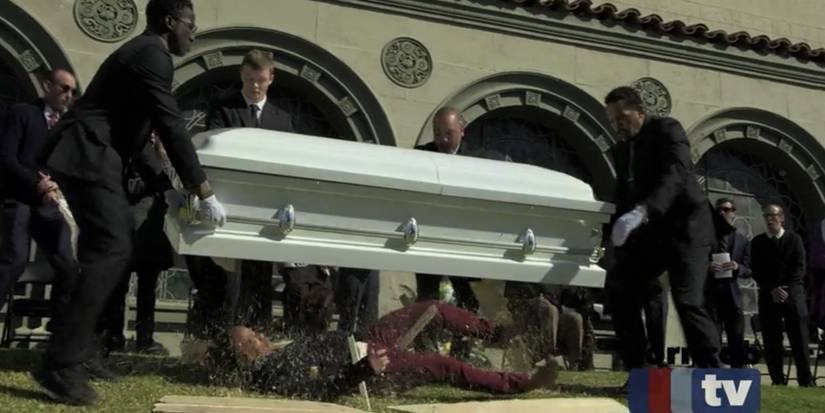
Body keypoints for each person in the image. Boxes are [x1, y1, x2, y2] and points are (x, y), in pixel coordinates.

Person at [33, 0, 227, 405]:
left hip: (95, 153)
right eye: (190, 25)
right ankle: (60, 362)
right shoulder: (153, 54)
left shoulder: (146, 53)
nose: (193, 33)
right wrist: (202, 189)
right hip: (88, 152)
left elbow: (137, 136)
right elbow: (169, 122)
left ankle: (81, 349)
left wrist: (167, 189)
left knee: (106, 251)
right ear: (170, 22)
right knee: (113, 248)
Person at [191, 301, 557, 399]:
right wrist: (365, 370)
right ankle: (519, 383)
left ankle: (499, 335)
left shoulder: (274, 354)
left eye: (255, 332)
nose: (261, 336)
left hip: (365, 339)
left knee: (432, 308)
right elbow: (318, 391)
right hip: (368, 365)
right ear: (244, 356)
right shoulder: (272, 374)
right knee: (442, 365)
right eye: (252, 340)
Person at [603, 86, 720, 372]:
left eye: (622, 117)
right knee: (620, 287)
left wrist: (644, 210)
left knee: (687, 300)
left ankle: (711, 371)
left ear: (640, 112)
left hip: (686, 227)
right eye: (613, 120)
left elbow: (675, 175)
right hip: (651, 235)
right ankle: (637, 370)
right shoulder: (623, 150)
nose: (618, 125)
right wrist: (609, 234)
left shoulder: (667, 130)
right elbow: (623, 194)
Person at [186, 49, 295, 334]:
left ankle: (258, 335)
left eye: (260, 80)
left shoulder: (282, 119)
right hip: (229, 203)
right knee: (227, 278)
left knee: (260, 274)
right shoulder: (223, 108)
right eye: (249, 79)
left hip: (265, 208)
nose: (255, 86)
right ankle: (221, 335)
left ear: (271, 78)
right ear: (241, 76)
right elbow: (214, 151)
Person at [0, 69, 79, 329]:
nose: (68, 95)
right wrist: (37, 183)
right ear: (47, 86)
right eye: (64, 88)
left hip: (50, 205)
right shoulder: (22, 113)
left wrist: (59, 186)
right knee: (15, 260)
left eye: (73, 91)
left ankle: (59, 327)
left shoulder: (67, 126)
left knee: (68, 264)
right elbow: (7, 159)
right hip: (20, 198)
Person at [414, 107, 479, 313]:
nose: (442, 140)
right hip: (429, 236)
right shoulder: (421, 156)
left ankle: (469, 331)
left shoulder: (478, 160)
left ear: (462, 130)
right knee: (427, 298)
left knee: (467, 296)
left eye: (449, 133)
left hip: (463, 238)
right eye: (438, 134)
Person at [750, 204, 812, 386]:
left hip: (793, 295)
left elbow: (799, 267)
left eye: (774, 215)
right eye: (766, 216)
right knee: (771, 340)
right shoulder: (758, 242)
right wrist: (772, 289)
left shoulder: (794, 239)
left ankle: (805, 380)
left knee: (799, 339)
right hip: (769, 295)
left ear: (782, 218)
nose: (770, 219)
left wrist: (785, 289)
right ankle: (777, 380)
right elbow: (757, 269)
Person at [705, 198, 750, 368]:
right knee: (712, 339)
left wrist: (737, 266)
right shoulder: (705, 239)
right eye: (719, 210)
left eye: (726, 209)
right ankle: (712, 372)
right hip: (711, 294)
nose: (722, 213)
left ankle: (738, 373)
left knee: (736, 338)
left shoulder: (742, 240)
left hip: (733, 295)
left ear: (733, 213)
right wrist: (708, 267)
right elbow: (695, 263)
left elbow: (749, 269)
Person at [504, 282, 584, 369]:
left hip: (552, 316)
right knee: (549, 309)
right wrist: (531, 302)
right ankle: (548, 356)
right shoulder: (520, 277)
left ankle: (574, 362)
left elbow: (570, 300)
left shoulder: (555, 279)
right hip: (526, 316)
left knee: (575, 318)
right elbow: (511, 302)